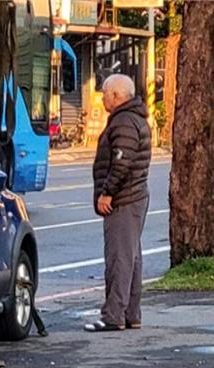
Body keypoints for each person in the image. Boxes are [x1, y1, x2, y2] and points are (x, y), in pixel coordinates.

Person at [84, 74, 152, 333]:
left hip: (123, 198)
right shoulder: (135, 119)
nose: (102, 98)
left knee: (119, 258)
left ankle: (113, 315)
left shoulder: (123, 122)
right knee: (131, 258)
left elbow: (121, 162)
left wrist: (107, 192)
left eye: (104, 94)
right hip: (135, 195)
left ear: (116, 95)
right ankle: (130, 313)